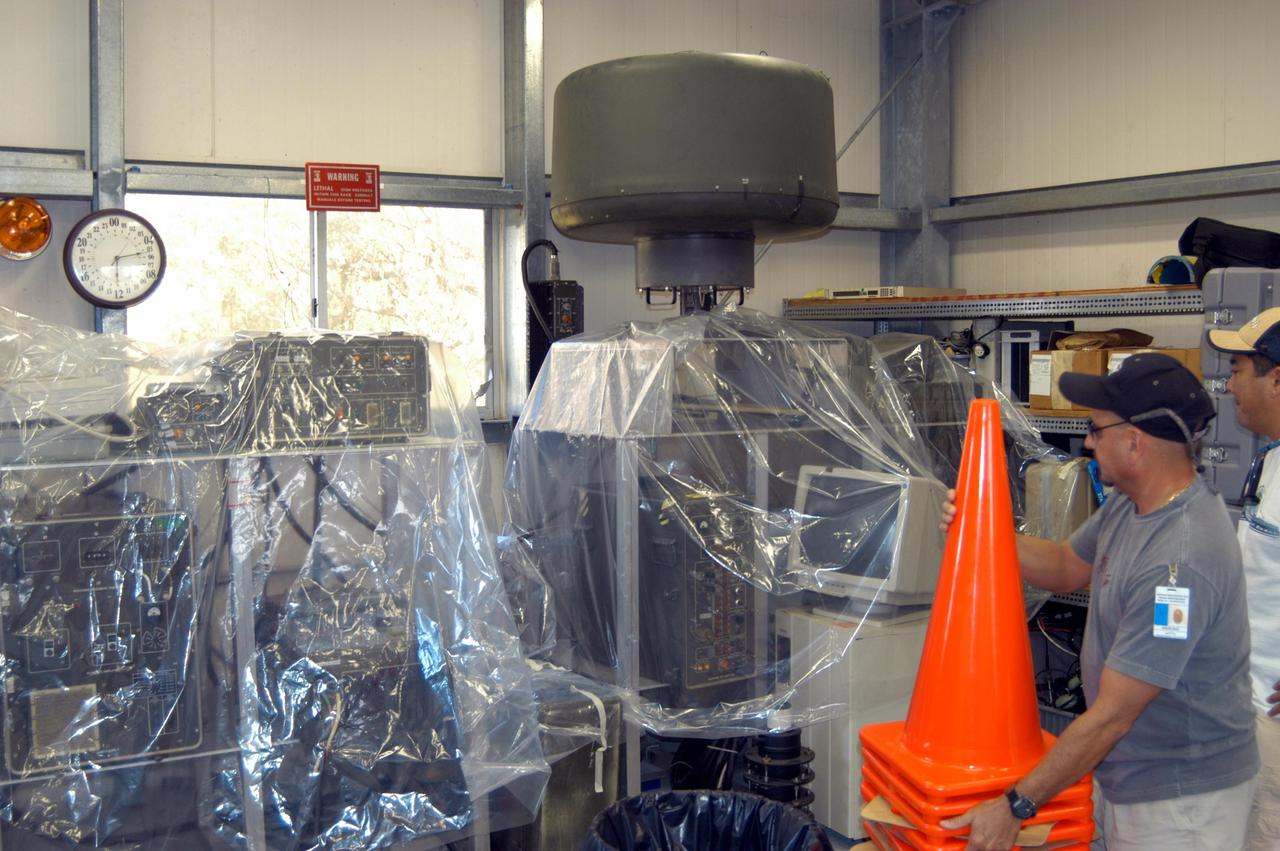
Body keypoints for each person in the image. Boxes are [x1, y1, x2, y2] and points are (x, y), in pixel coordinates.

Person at [937, 352, 1258, 851]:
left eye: (1095, 429)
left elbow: (1113, 714)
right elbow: (1066, 564)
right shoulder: (1133, 508)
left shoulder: (1179, 562)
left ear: (1135, 441)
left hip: (1181, 805)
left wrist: (1016, 804)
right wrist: (978, 528)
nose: (1087, 442)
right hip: (1130, 780)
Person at [1208, 308, 1280, 850]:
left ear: (1276, 378)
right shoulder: (1273, 459)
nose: (1228, 384)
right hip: (1250, 707)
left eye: (1238, 369)